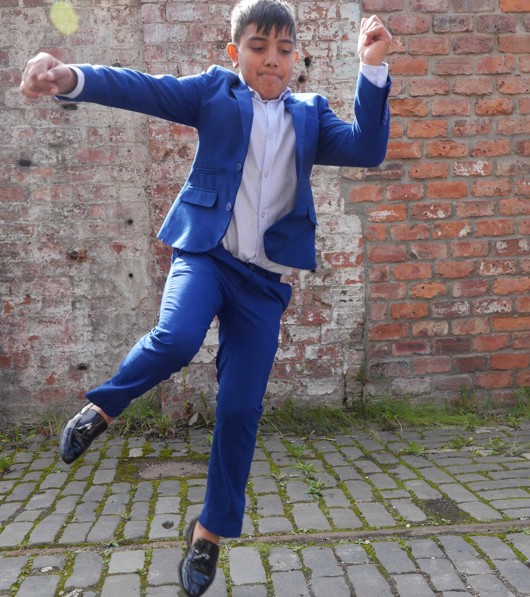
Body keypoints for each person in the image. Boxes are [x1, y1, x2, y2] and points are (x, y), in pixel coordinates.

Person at [20, 0, 392, 594]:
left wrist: (371, 69)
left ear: (295, 57)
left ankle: (209, 534)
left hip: (262, 284)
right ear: (234, 53)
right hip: (206, 256)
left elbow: (369, 149)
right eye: (257, 48)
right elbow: (144, 88)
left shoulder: (310, 115)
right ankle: (101, 410)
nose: (271, 61)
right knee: (176, 338)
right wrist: (70, 76)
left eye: (283, 50)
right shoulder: (214, 95)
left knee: (240, 409)